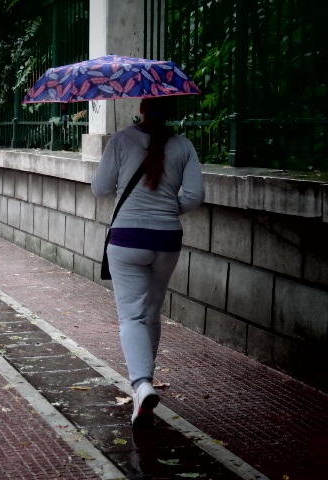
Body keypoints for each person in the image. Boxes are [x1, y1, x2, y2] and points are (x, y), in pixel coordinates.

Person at [91, 96, 205, 428]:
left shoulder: (122, 139)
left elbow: (100, 189)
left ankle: (141, 386)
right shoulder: (184, 145)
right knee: (151, 312)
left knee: (131, 317)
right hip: (167, 239)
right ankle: (146, 389)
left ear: (141, 110)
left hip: (127, 240)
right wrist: (170, 210)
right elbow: (195, 195)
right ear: (172, 113)